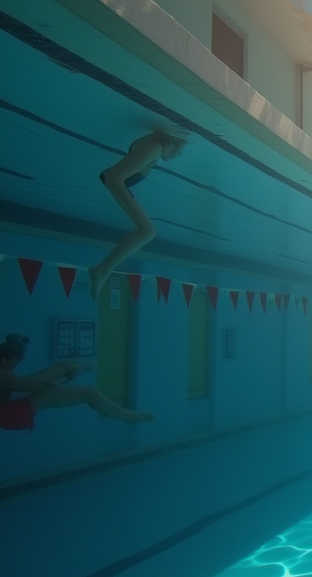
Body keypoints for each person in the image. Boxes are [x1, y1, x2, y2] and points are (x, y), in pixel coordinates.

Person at [89, 132, 187, 298]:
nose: (178, 155)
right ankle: (102, 270)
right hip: (115, 182)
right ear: (170, 142)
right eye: (178, 150)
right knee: (147, 232)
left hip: (118, 182)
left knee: (146, 232)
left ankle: (103, 269)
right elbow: (113, 177)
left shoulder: (156, 146)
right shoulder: (154, 149)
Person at [0, 334, 155, 430]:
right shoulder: (4, 375)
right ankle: (129, 418)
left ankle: (77, 365)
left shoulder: (5, 372)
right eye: (17, 359)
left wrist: (67, 372)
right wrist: (67, 378)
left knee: (68, 365)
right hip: (10, 413)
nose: (19, 362)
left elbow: (28, 384)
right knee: (88, 393)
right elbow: (38, 387)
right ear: (3, 359)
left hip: (10, 400)